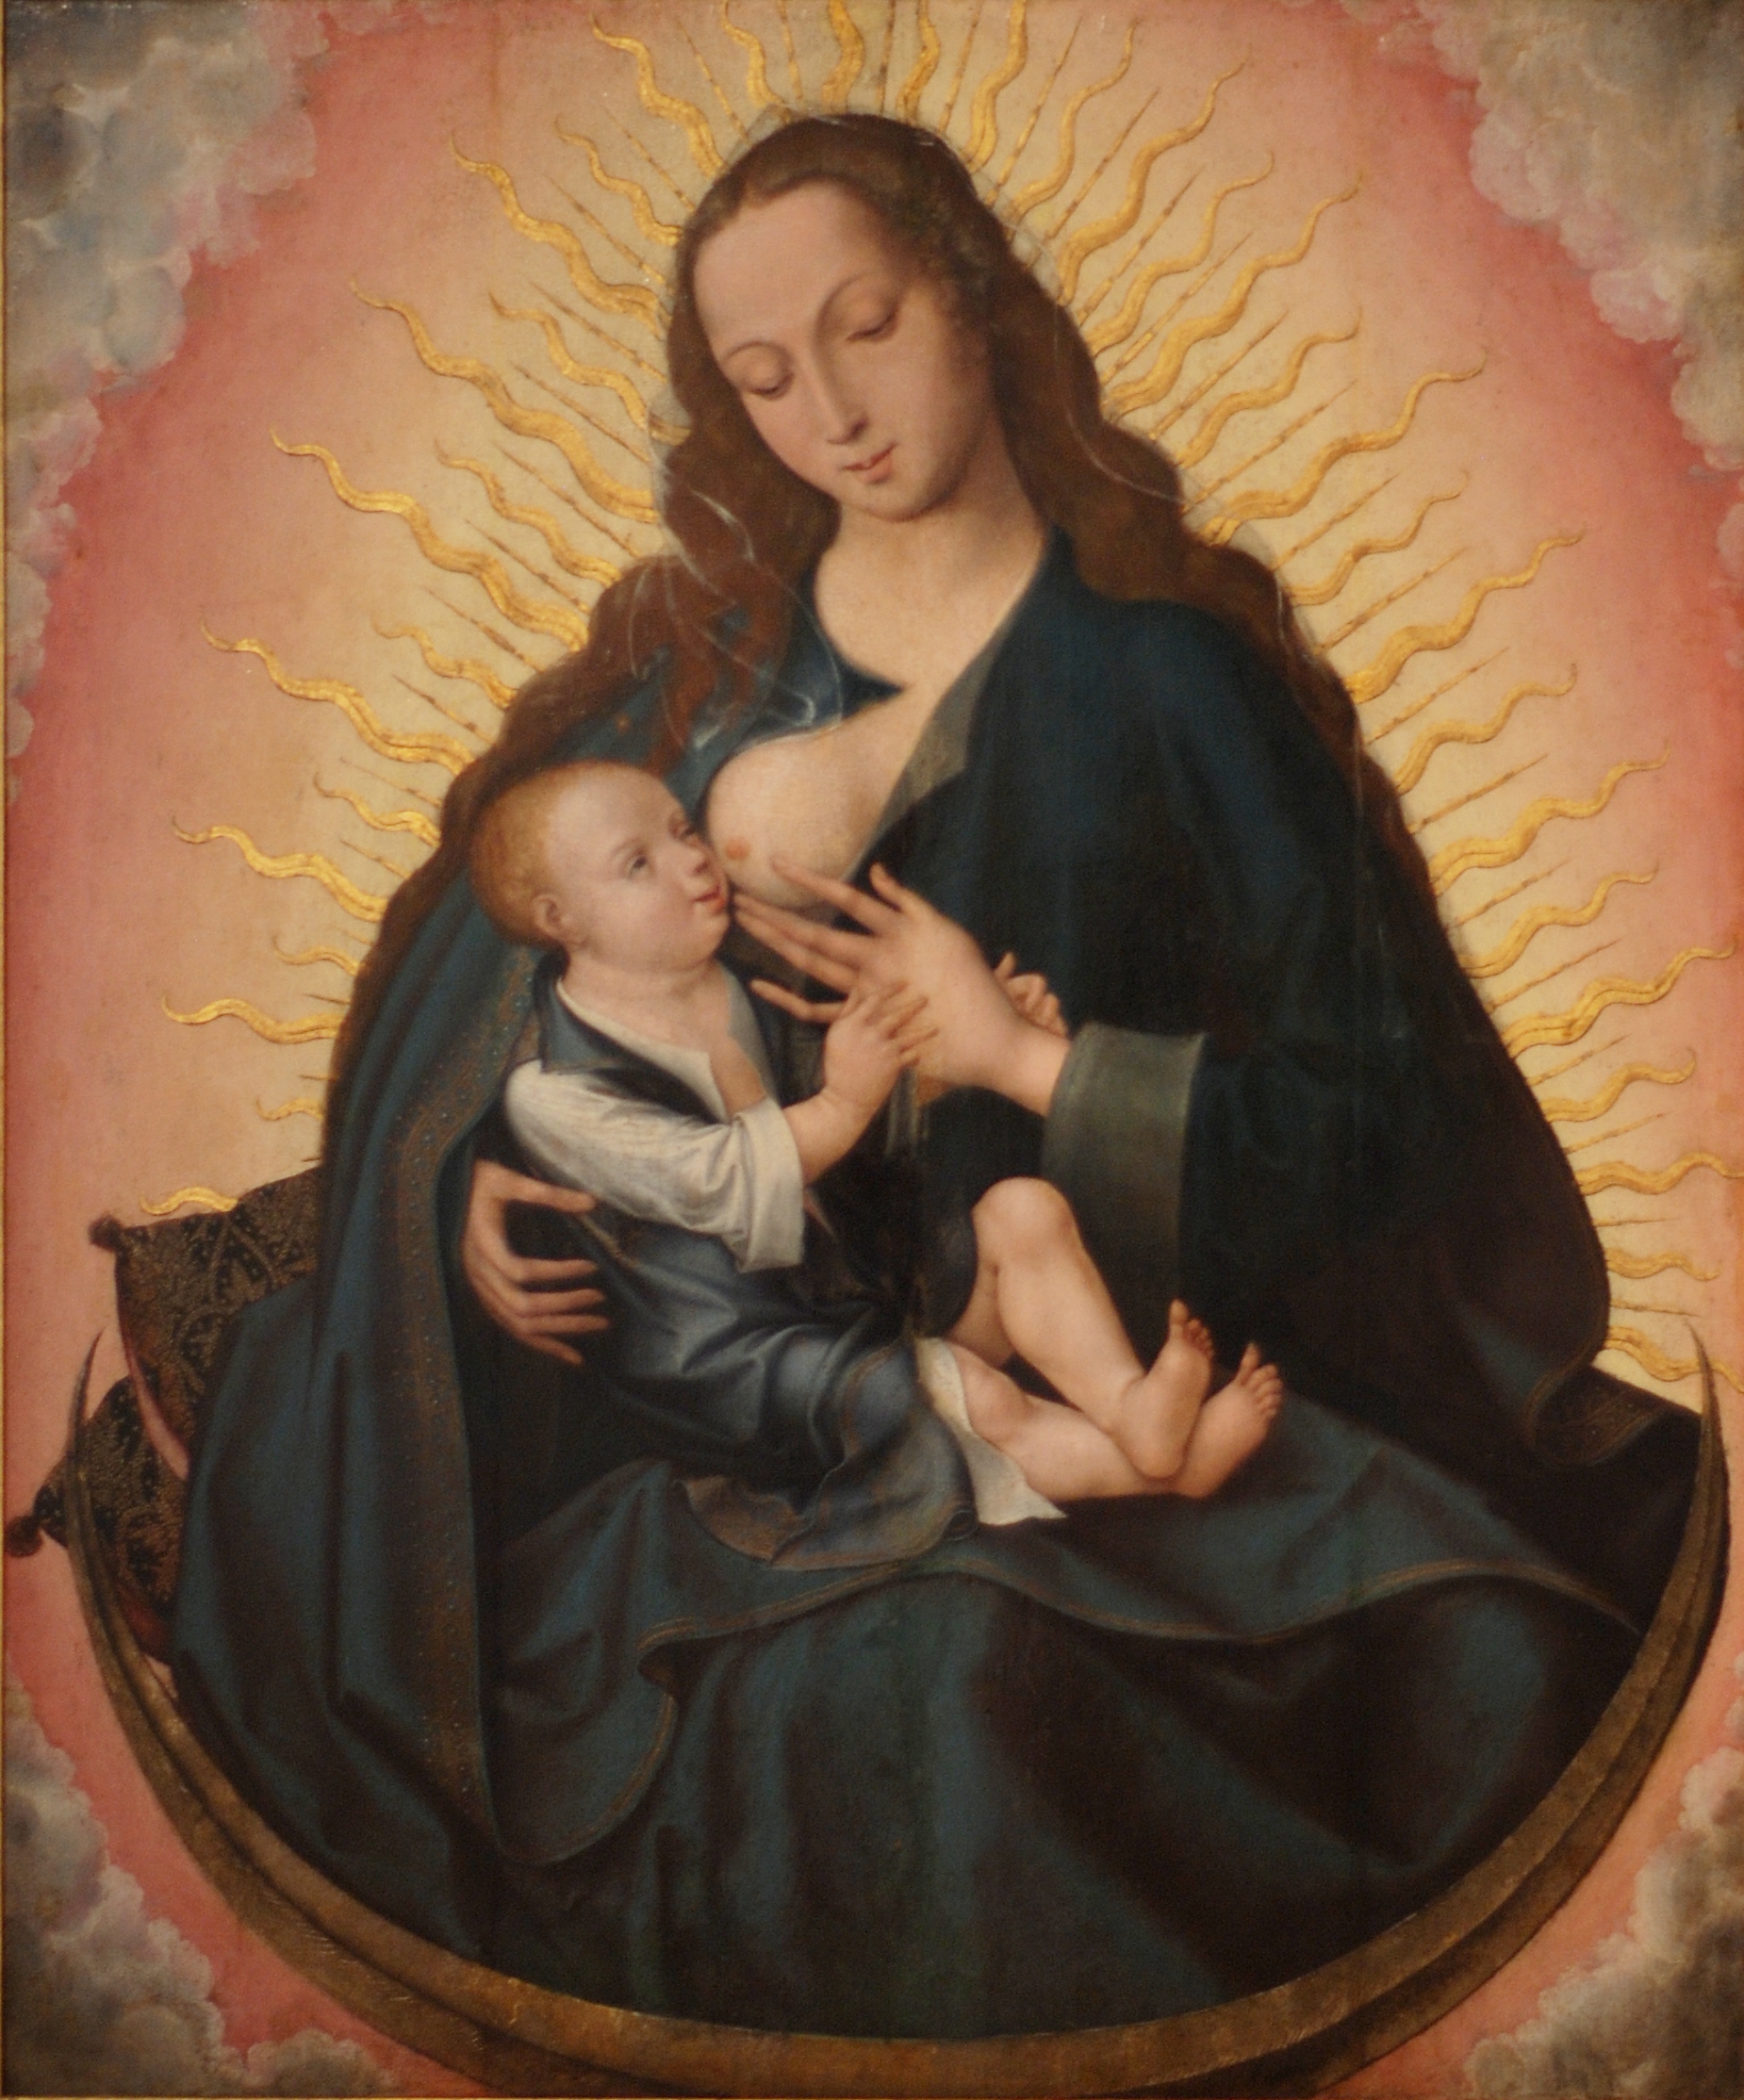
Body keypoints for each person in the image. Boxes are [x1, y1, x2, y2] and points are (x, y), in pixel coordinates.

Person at [173, 114, 1700, 2038]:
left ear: (976, 301)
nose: (830, 411)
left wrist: (1031, 1058)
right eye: (765, 375)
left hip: (1120, 1371)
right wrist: (478, 1180)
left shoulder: (1177, 684)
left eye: (867, 327)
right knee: (840, 1710)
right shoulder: (678, 702)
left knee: (1017, 1701)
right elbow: (481, 1015)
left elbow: (1389, 1123)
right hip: (763, 1438)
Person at [473, 756, 1285, 1510]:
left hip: (857, 1293)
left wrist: (973, 1042)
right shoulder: (555, 1094)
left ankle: (1134, 1409)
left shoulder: (741, 977)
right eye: (637, 864)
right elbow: (721, 1178)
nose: (693, 862)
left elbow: (861, 1113)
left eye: (683, 830)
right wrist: (844, 1103)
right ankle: (1170, 1475)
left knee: (1025, 1211)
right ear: (560, 919)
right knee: (977, 1393)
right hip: (743, 1364)